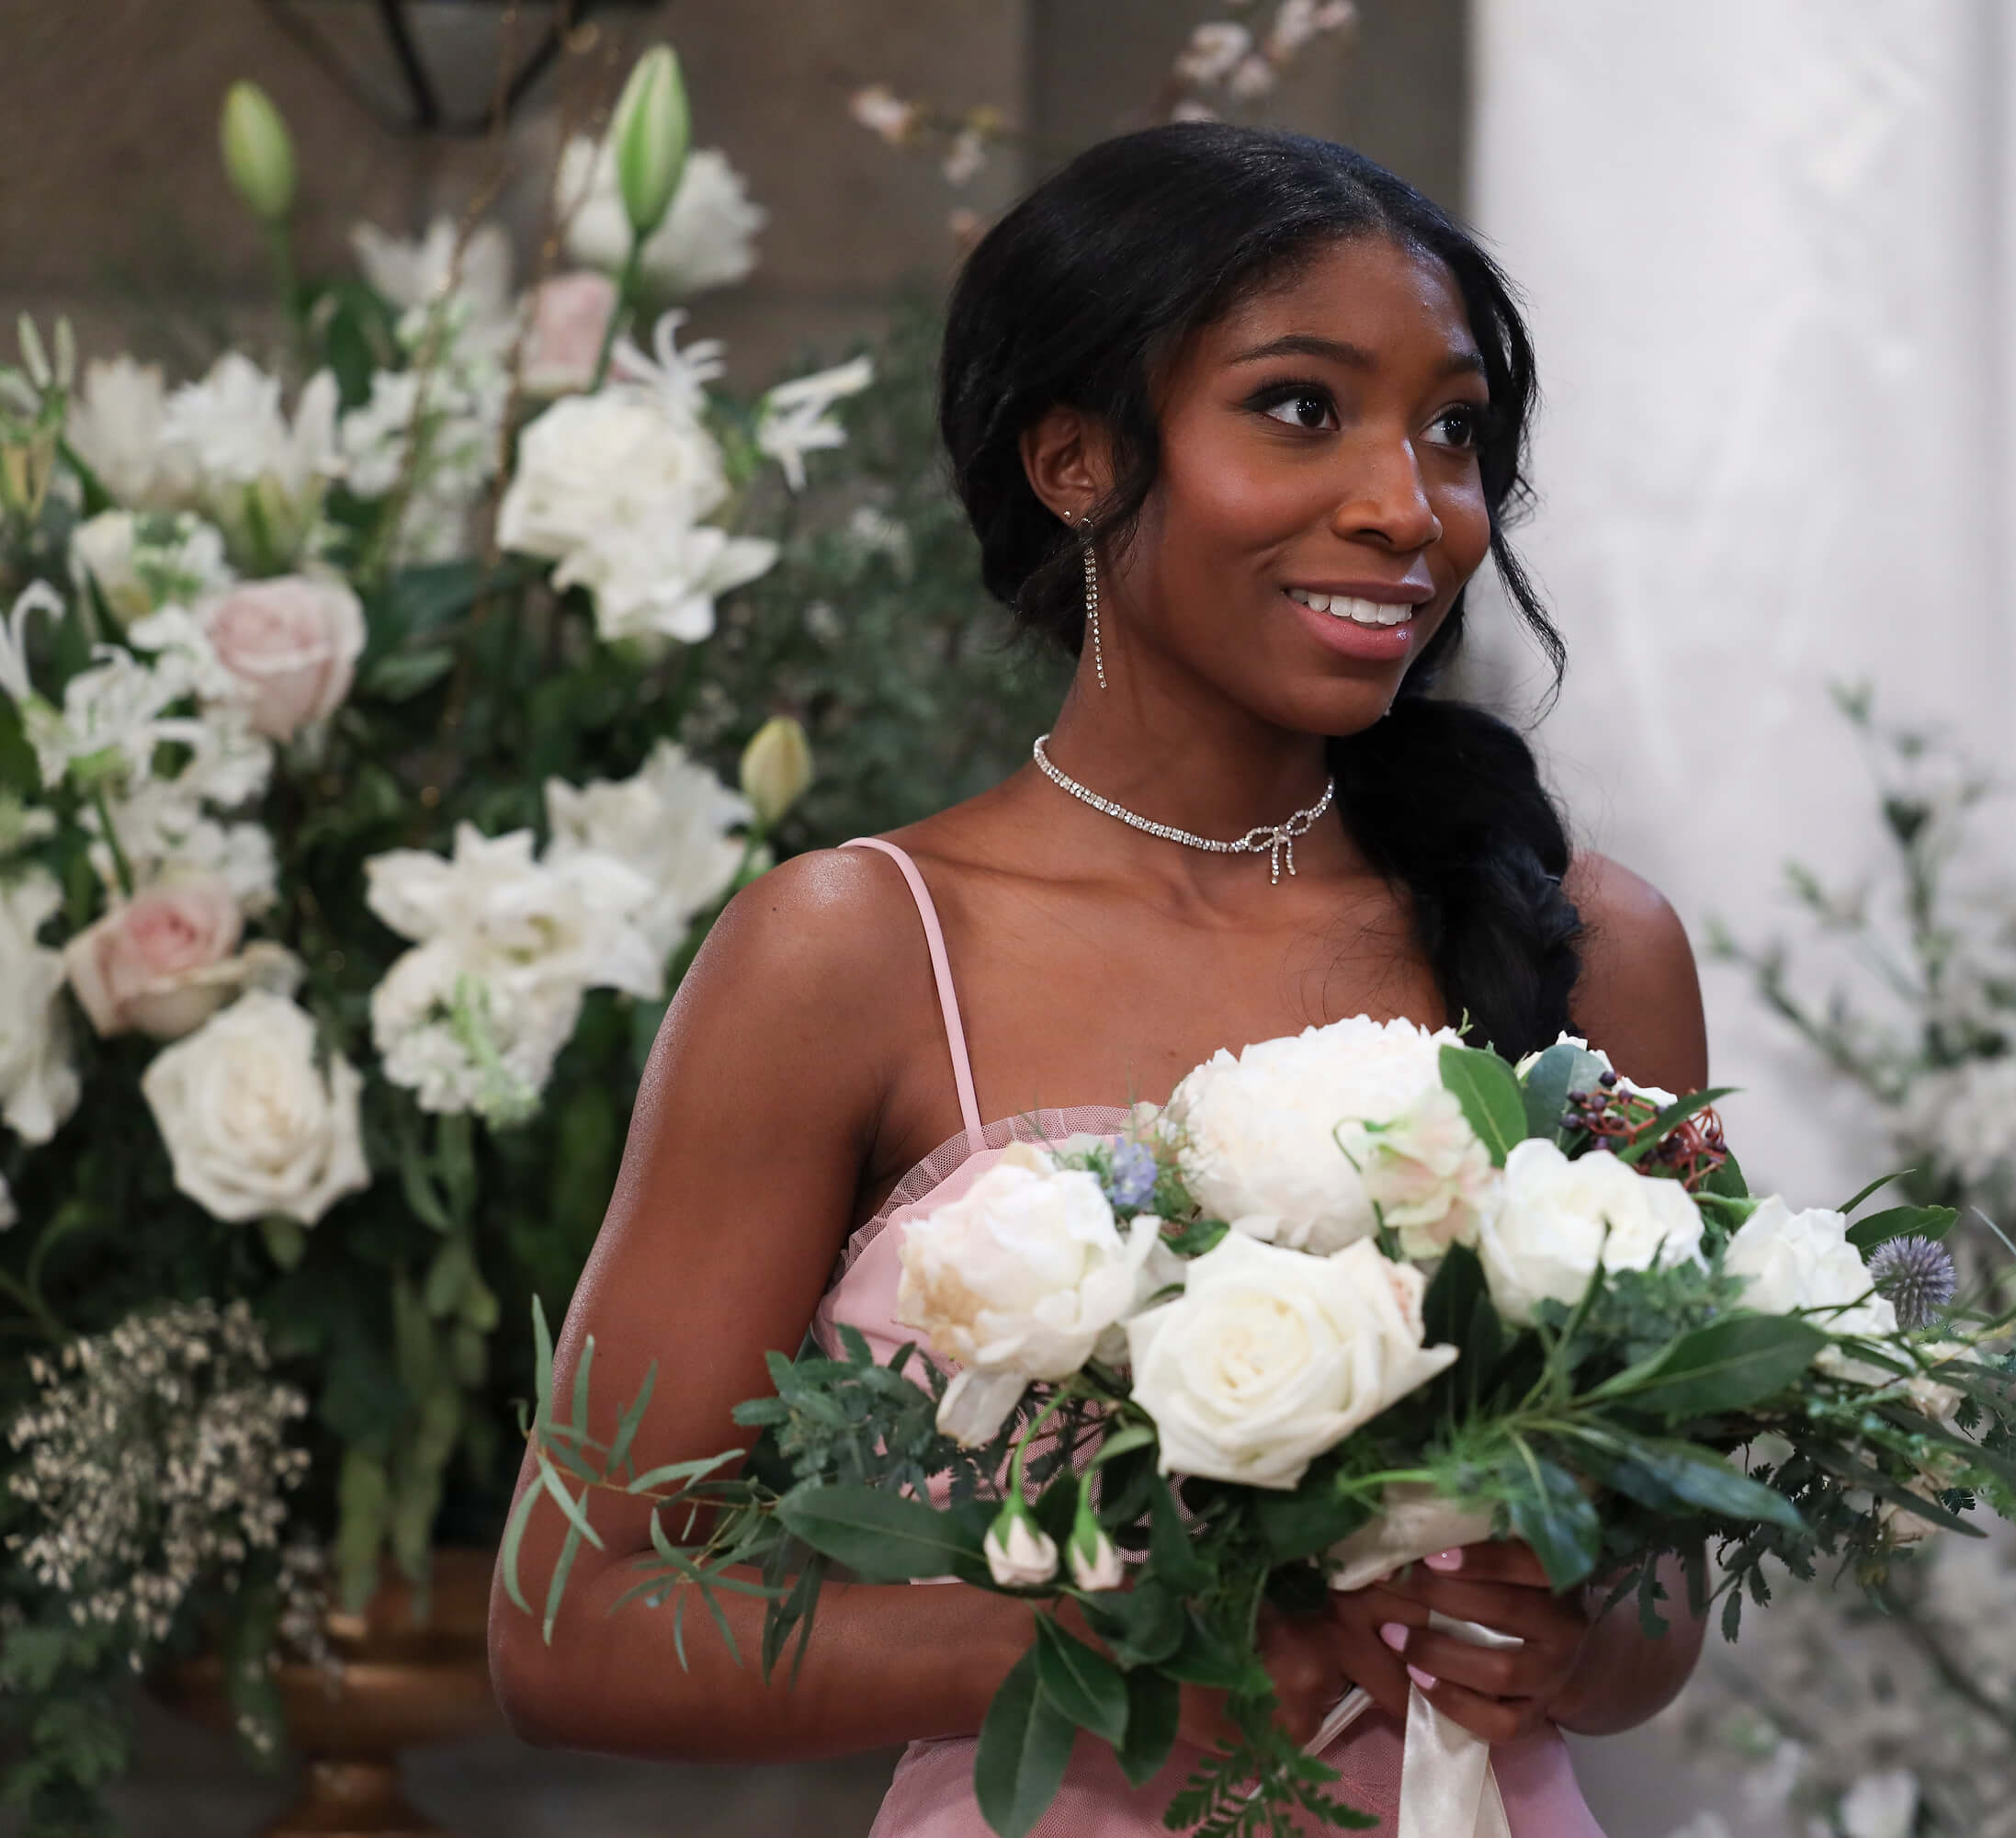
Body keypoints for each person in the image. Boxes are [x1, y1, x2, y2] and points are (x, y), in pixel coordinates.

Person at [487, 122, 1709, 1834]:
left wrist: (1566, 1643)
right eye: (1303, 406)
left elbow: (1662, 1610)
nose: (1408, 504)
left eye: (1453, 430)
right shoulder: (856, 949)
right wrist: (1071, 1642)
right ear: (1073, 457)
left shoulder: (1589, 940)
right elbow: (575, 1628)